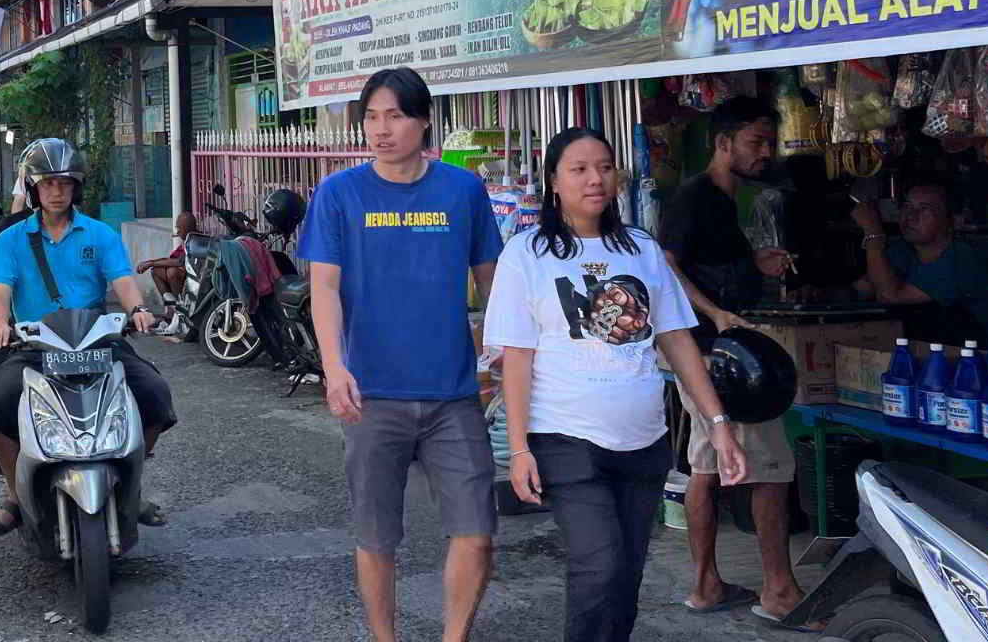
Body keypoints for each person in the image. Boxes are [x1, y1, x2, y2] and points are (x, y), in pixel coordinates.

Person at [486, 126, 748, 642]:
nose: (594, 180)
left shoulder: (641, 248)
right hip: (564, 436)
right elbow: (516, 357)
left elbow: (676, 339)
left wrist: (718, 424)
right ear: (554, 182)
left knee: (625, 577)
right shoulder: (527, 253)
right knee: (598, 567)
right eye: (579, 169)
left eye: (604, 167)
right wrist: (518, 449)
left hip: (642, 439)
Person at [298, 67, 503, 642]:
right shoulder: (339, 194)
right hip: (372, 394)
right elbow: (326, 289)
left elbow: (492, 280)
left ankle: (453, 636)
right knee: (377, 536)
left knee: (476, 529)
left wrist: (502, 353)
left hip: (453, 394)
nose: (380, 129)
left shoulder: (462, 190)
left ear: (423, 121)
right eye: (371, 117)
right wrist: (334, 366)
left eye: (394, 116)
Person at [0, 137, 175, 536]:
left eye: (65, 183)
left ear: (76, 187)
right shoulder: (11, 240)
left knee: (154, 394)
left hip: (96, 339)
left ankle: (130, 487)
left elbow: (123, 281)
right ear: (33, 188)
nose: (56, 191)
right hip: (33, 343)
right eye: (47, 183)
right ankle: (16, 495)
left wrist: (137, 311)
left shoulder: (99, 234)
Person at [657, 96, 805, 622]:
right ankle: (779, 593)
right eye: (754, 142)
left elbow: (708, 261)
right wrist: (717, 312)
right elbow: (665, 266)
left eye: (769, 142)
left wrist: (753, 262)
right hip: (716, 355)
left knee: (705, 465)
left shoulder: (725, 200)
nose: (765, 153)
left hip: (710, 352)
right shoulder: (693, 198)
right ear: (723, 143)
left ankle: (707, 586)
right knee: (767, 469)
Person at [853, 179, 988, 344]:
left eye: (924, 209)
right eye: (907, 206)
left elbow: (889, 295)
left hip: (987, 355)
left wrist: (873, 232)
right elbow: (863, 289)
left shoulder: (962, 258)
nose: (910, 216)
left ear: (954, 221)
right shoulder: (902, 248)